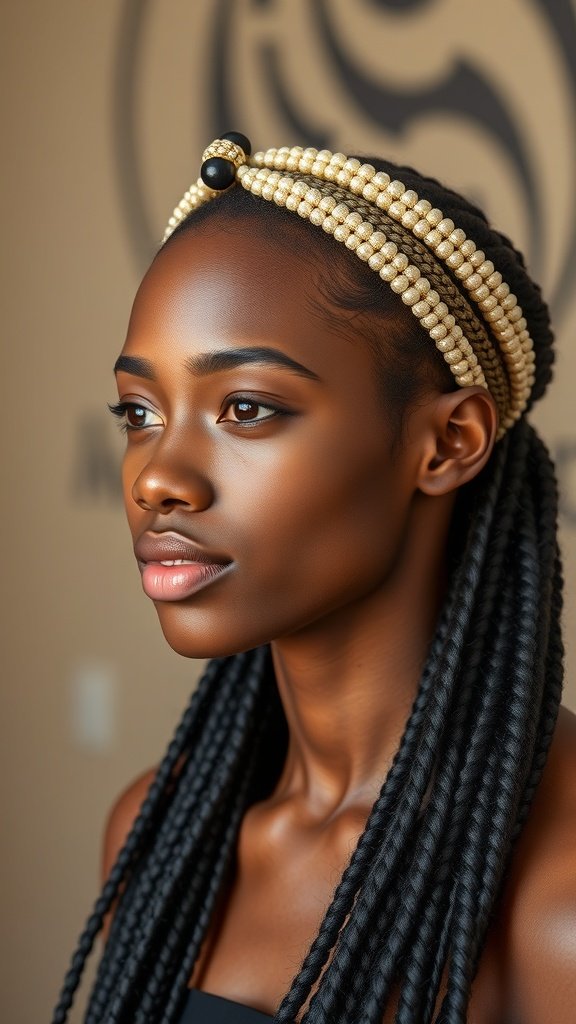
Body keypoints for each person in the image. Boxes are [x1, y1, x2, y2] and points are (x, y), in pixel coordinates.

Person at [52, 133, 576, 1024]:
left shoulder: (556, 901)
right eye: (139, 411)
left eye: (246, 408)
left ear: (447, 445)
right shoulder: (157, 836)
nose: (154, 478)